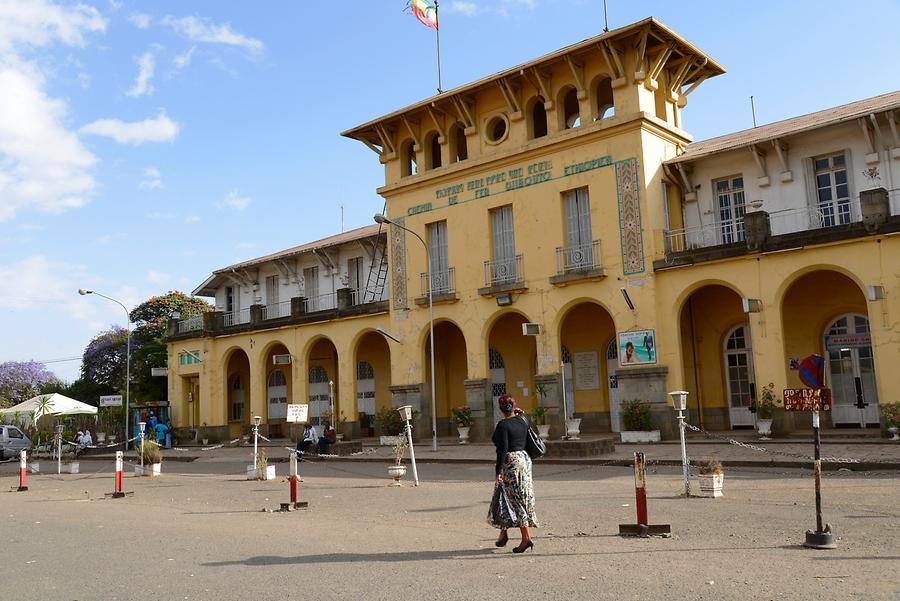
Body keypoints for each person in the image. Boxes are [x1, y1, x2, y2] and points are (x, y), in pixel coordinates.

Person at [488, 394, 537, 553]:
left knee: (514, 500)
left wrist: (498, 471)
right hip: (524, 460)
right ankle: (503, 533)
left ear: (499, 408)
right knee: (514, 497)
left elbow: (502, 450)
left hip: (511, 463)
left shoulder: (502, 425)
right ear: (514, 405)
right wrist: (521, 414)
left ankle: (526, 538)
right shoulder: (523, 419)